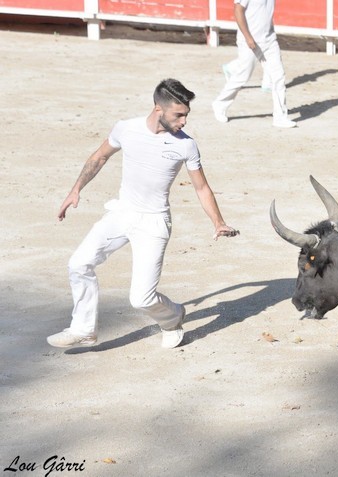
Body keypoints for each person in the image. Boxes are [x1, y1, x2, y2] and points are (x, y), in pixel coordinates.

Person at [49, 79, 239, 350]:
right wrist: (75, 189)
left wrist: (218, 222)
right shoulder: (126, 128)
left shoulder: (186, 145)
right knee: (79, 264)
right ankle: (83, 329)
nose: (184, 121)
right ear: (158, 110)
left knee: (141, 299)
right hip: (122, 212)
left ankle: (173, 317)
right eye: (179, 115)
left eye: (186, 115)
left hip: (154, 222)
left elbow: (201, 187)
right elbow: (99, 156)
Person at [212, 0, 296, 128]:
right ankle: (220, 103)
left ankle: (280, 117)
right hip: (249, 41)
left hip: (269, 40)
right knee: (242, 76)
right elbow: (238, 10)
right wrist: (248, 37)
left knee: (278, 77)